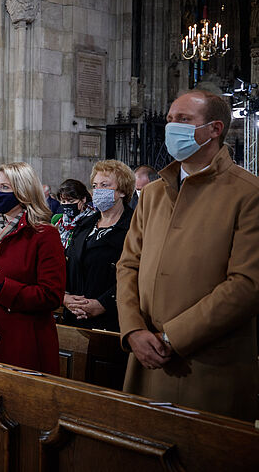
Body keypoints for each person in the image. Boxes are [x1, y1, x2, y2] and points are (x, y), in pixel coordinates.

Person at [117, 90, 259, 421]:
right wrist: (133, 330)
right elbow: (128, 265)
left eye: (184, 120)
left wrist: (171, 337)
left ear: (215, 129)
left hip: (208, 365)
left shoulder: (247, 194)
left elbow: (246, 285)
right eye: (169, 120)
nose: (172, 127)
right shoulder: (152, 194)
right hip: (144, 357)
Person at [0, 162, 65, 374]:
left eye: (5, 188)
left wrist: (0, 291)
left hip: (24, 342)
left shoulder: (44, 234)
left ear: (23, 192)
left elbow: (51, 295)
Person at [62, 161, 134, 332]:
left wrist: (104, 303)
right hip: (74, 316)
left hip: (109, 319)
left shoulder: (134, 226)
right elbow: (69, 263)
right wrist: (65, 297)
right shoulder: (84, 224)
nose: (98, 190)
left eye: (105, 185)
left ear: (122, 191)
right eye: (95, 185)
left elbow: (136, 272)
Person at [51, 179, 94, 249]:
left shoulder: (93, 219)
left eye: (71, 201)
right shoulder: (57, 220)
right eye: (63, 202)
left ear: (83, 199)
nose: (67, 205)